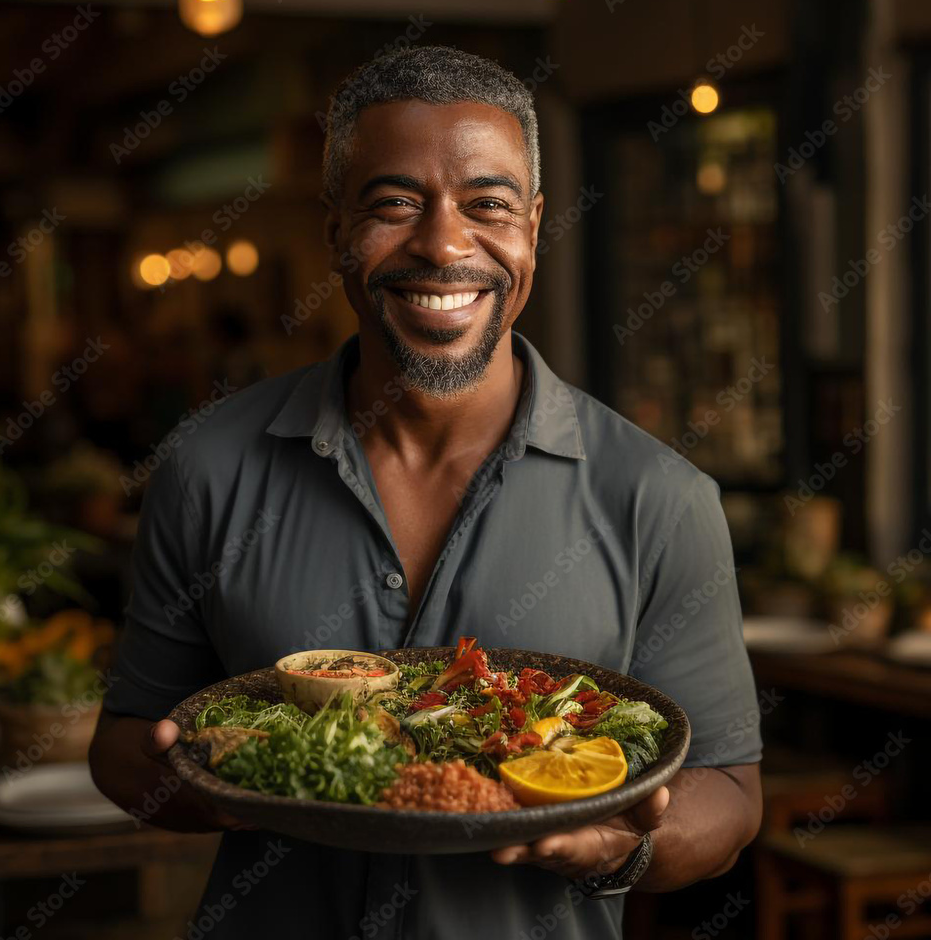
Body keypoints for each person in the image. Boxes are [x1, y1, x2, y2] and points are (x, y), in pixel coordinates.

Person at [89, 46, 762, 940]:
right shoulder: (206, 468)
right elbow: (125, 741)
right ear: (336, 230)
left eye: (487, 205)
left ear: (534, 228)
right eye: (396, 204)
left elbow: (730, 793)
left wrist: (621, 848)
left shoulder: (660, 497)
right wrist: (203, 783)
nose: (445, 244)